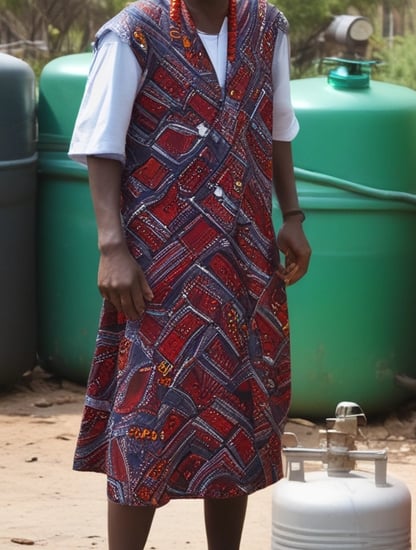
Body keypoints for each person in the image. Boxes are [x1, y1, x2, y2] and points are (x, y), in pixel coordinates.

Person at [67, 0, 311, 547]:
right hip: (161, 262)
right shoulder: (133, 33)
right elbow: (100, 143)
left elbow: (277, 125)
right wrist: (112, 247)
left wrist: (291, 215)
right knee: (146, 410)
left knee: (237, 409)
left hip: (243, 256)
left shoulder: (265, 26)